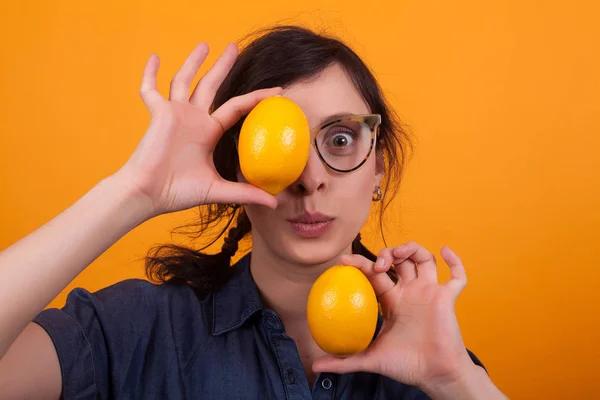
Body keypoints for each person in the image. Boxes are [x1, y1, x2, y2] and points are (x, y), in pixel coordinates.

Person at [0, 25, 507, 399]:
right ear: (235, 166)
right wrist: (134, 191)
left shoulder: (433, 359)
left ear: (377, 166)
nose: (311, 178)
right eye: (282, 144)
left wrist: (453, 379)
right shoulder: (138, 332)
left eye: (341, 137)